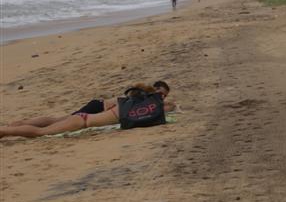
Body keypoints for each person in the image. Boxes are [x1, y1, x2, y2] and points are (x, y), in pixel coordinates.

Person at [1, 81, 172, 138]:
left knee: (52, 122)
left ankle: (12, 127)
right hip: (83, 120)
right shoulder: (132, 106)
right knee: (41, 132)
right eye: (160, 95)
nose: (161, 98)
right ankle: (5, 131)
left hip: (84, 118)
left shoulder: (126, 101)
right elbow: (167, 108)